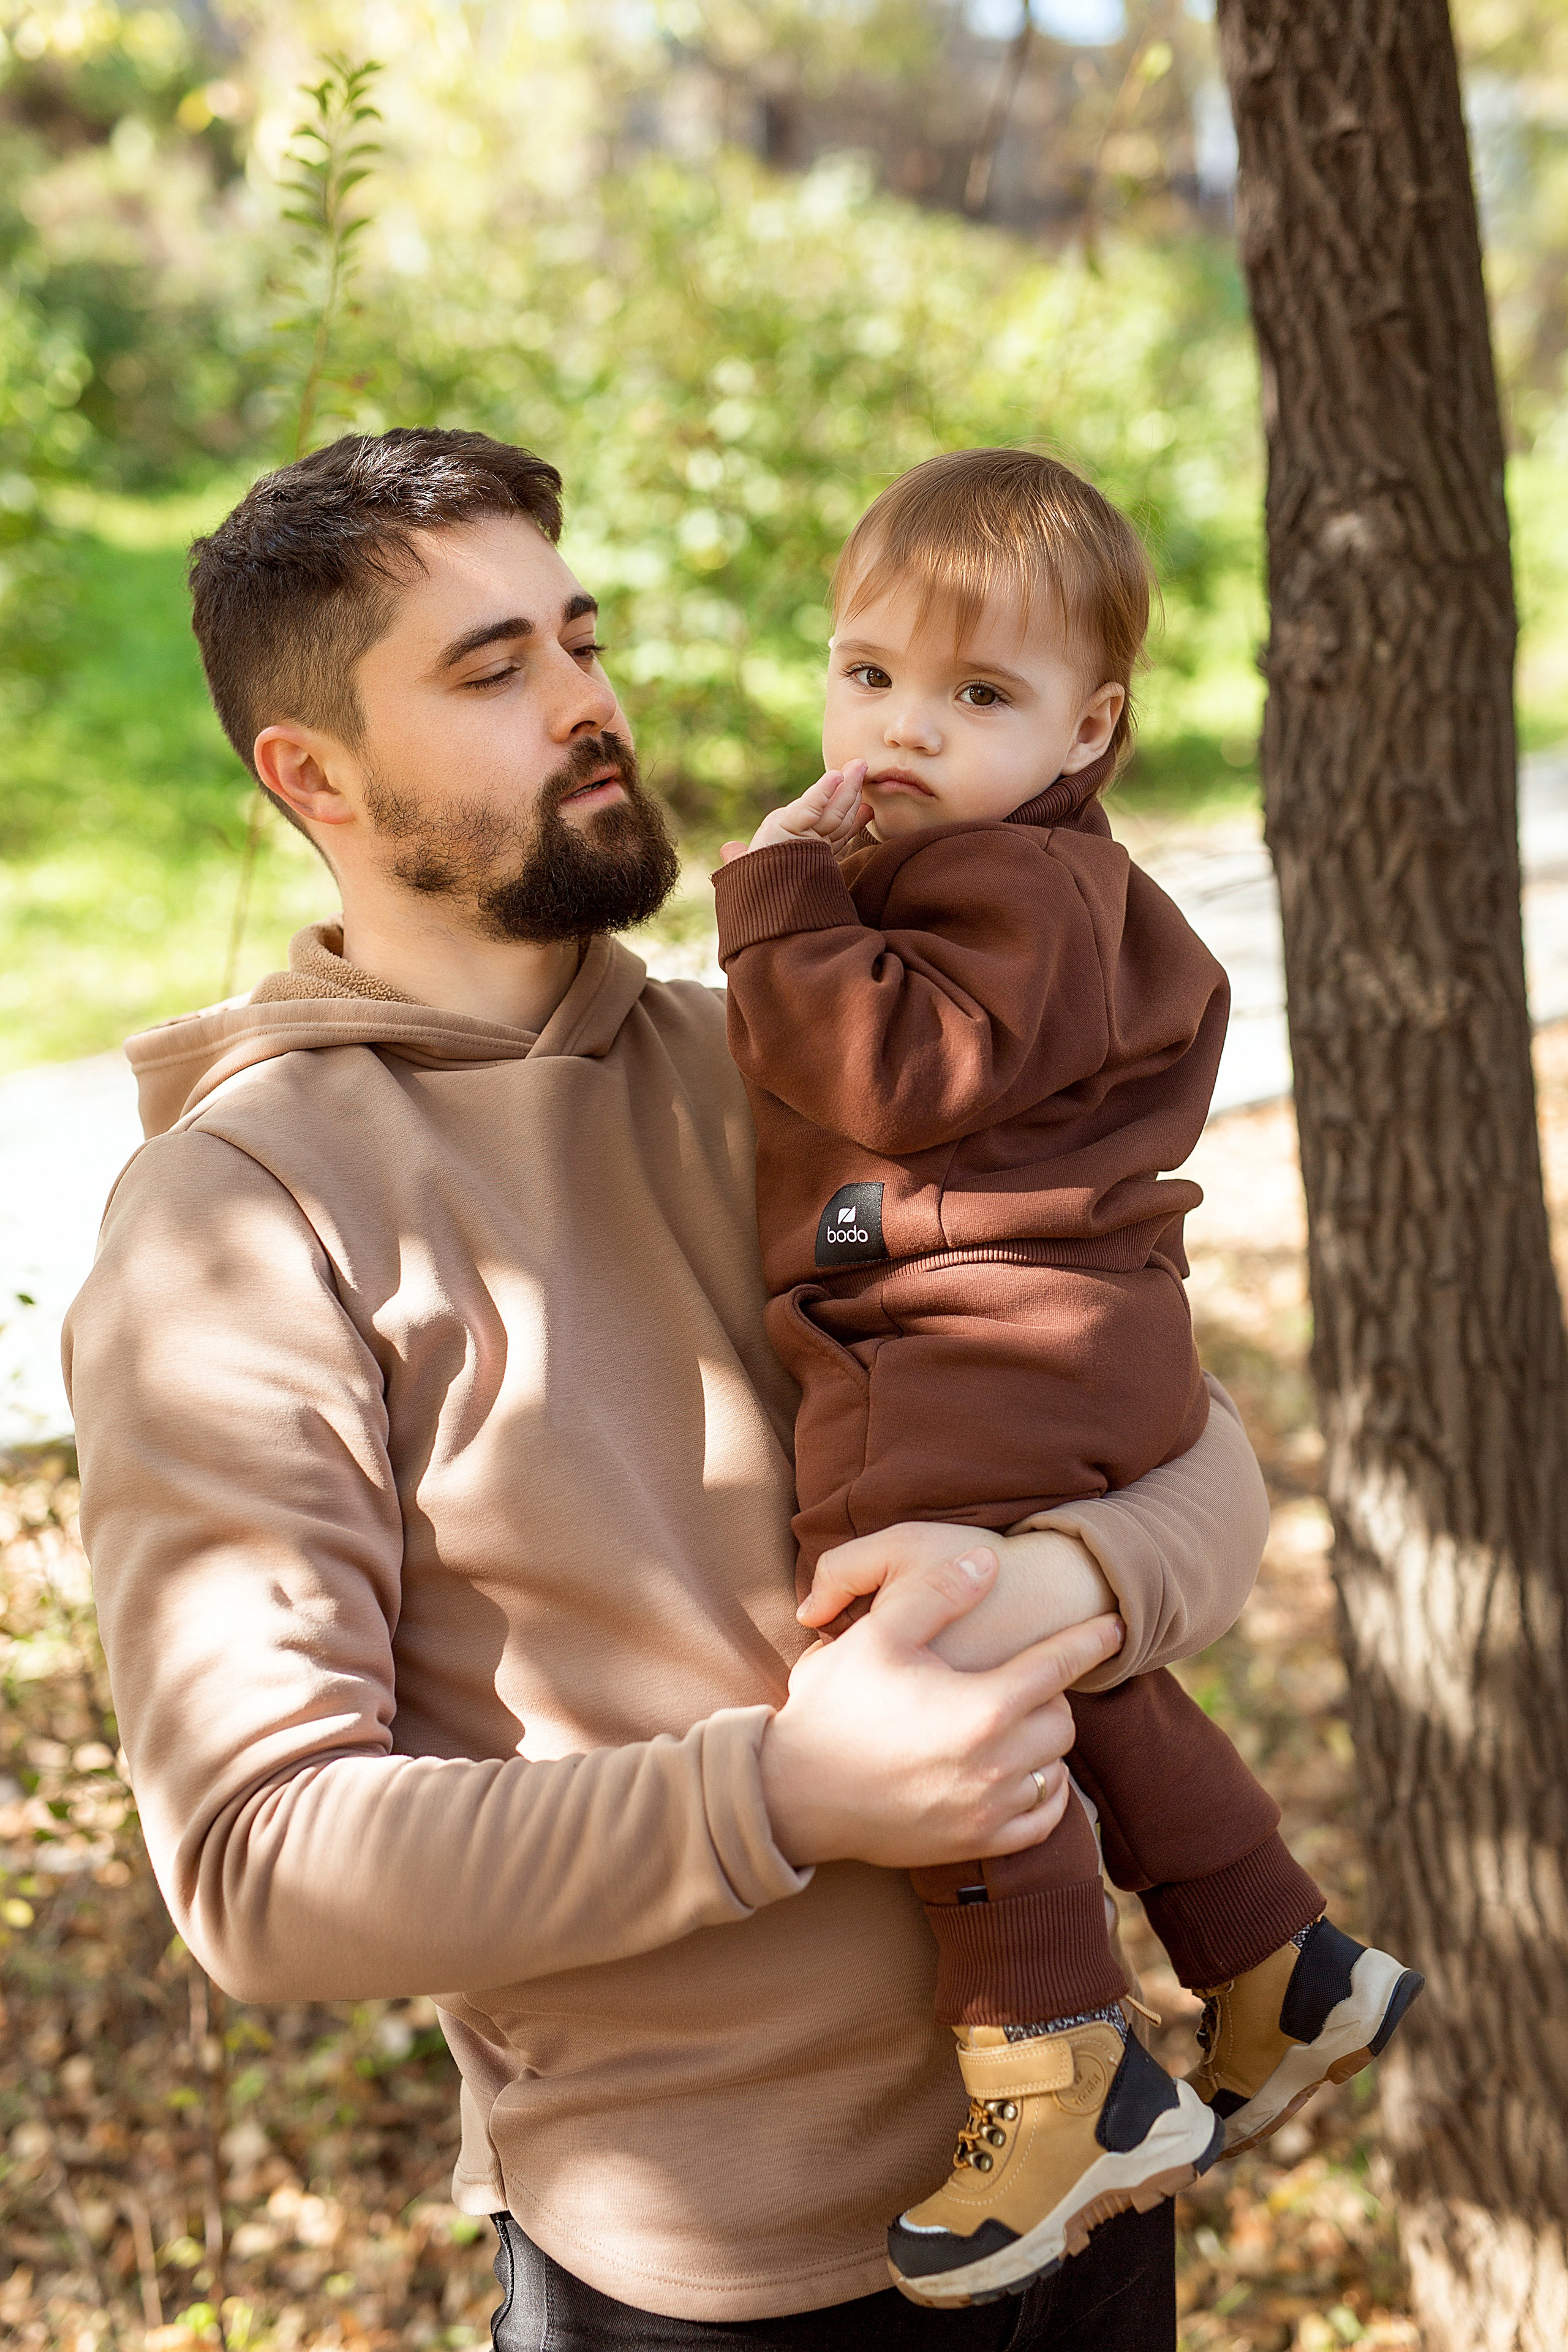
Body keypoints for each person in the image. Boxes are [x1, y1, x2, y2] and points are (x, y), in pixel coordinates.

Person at [67, 428, 1275, 2350]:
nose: (587, 707)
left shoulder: (810, 1057)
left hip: (1083, 2184)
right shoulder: (239, 1220)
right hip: (703, 2283)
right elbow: (259, 1866)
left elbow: (1202, 1469)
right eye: (492, 672)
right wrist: (791, 1790)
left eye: (580, 637)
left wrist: (1073, 1591)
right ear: (311, 775)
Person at [713, 448, 1423, 2312]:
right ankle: (1278, 1959)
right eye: (868, 676)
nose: (903, 731)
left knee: (916, 1662)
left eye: (978, 696)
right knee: (1066, 1673)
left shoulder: (1009, 883)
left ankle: (1058, 2058)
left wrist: (782, 894)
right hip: (1073, 1344)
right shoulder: (1041, 874)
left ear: (1089, 725)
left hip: (968, 1335)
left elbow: (902, 1079)